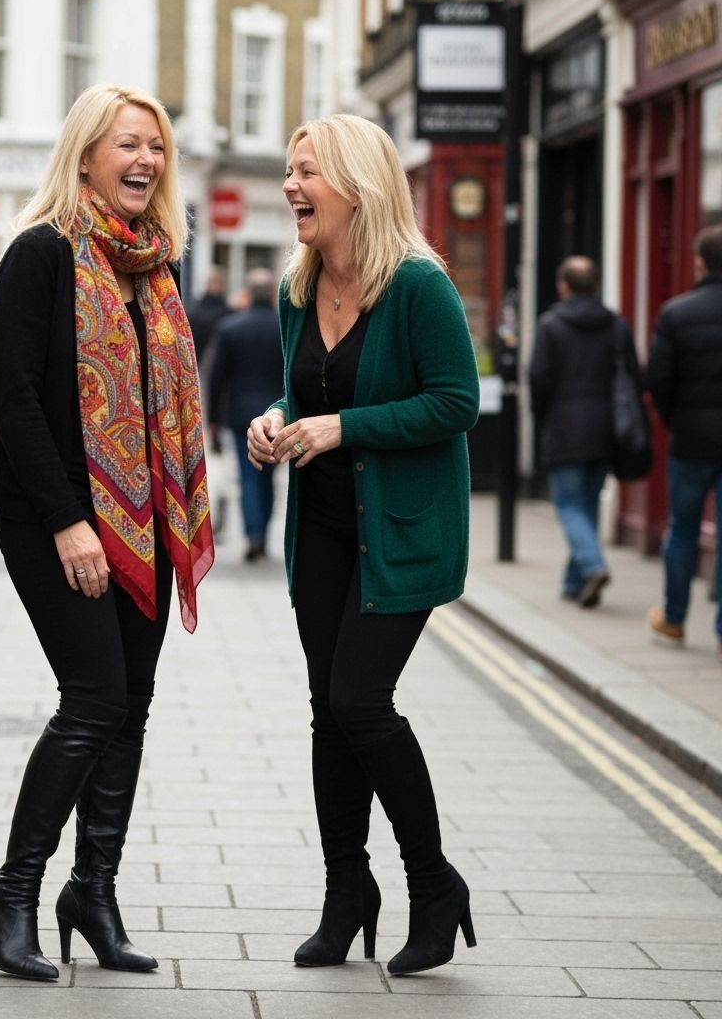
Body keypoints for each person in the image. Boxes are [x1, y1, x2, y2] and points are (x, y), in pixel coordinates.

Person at [0, 83, 214, 982]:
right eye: (128, 144)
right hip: (54, 522)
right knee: (94, 700)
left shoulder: (156, 265)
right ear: (85, 156)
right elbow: (17, 404)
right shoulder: (39, 255)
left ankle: (95, 892)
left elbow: (165, 405)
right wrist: (74, 521)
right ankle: (16, 891)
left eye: (156, 145)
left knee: (131, 709)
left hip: (146, 521)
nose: (146, 160)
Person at [247, 114, 480, 977]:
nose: (290, 186)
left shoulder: (418, 287)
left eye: (306, 171)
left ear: (357, 185)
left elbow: (457, 401)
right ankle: (347, 893)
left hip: (404, 535)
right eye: (289, 169)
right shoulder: (295, 289)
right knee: (327, 712)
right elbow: (296, 385)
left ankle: (433, 885)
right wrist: (275, 421)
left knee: (359, 701)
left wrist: (342, 427)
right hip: (323, 534)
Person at [529, 256, 640, 608]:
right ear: (595, 286)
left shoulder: (550, 325)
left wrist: (541, 419)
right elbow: (635, 377)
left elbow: (539, 380)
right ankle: (574, 584)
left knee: (569, 505)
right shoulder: (617, 325)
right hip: (606, 429)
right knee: (587, 504)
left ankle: (592, 566)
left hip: (565, 428)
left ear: (563, 286)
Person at [646, 224, 722, 663]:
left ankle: (674, 619)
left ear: (699, 262)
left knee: (683, 531)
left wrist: (678, 421)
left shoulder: (677, 313)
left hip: (691, 440)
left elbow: (659, 381)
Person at [208, 268, 284, 561]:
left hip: (240, 416)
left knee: (248, 476)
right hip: (277, 416)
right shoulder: (283, 328)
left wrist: (214, 420)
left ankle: (254, 535)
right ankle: (261, 533)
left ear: (248, 294)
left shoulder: (230, 327)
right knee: (268, 477)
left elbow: (217, 380)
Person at [186, 266, 231, 365]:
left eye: (219, 282)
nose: (216, 286)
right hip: (198, 355)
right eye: (214, 282)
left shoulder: (227, 310)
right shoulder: (195, 307)